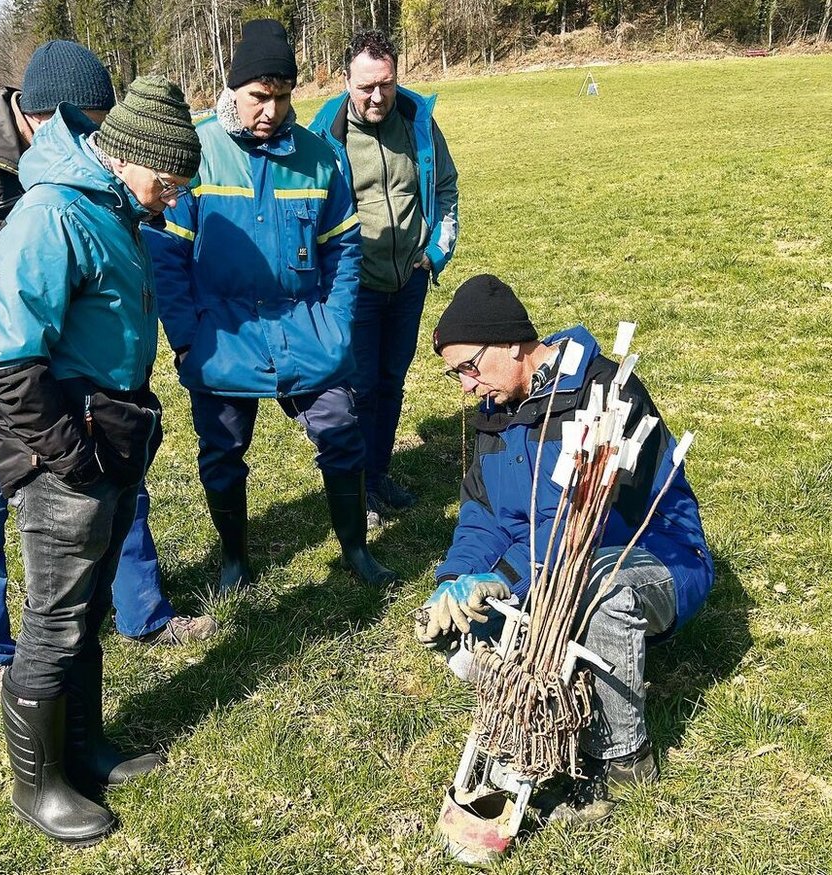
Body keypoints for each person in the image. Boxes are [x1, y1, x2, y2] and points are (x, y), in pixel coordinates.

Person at [0, 41, 215, 707]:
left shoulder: (90, 174)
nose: (97, 140)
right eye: (86, 123)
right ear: (45, 114)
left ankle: (142, 612)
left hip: (60, 361)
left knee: (110, 484)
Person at [0, 77, 202, 844]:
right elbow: (10, 363)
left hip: (110, 438)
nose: (173, 197)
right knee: (54, 619)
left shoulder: (113, 206)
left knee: (89, 608)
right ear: (128, 155)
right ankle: (36, 786)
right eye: (169, 180)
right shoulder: (53, 213)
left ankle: (84, 749)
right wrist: (72, 458)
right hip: (63, 453)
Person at [420, 274, 713, 821]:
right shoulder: (496, 411)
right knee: (450, 624)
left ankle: (622, 761)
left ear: (511, 344)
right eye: (455, 373)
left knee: (600, 592)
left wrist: (504, 578)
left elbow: (582, 525)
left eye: (469, 367)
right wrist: (456, 578)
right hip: (544, 569)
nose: (465, 386)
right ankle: (534, 708)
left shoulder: (606, 394)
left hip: (648, 556)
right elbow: (482, 514)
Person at [145, 19, 395, 590]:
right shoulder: (195, 153)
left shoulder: (320, 158)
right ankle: (234, 560)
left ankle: (356, 549)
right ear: (233, 87)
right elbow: (167, 257)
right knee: (222, 452)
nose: (271, 110)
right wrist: (186, 337)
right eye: (259, 96)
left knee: (341, 431)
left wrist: (336, 324)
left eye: (282, 97)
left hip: (306, 330)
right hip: (222, 337)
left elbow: (344, 248)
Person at [310, 28, 459, 526]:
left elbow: (446, 187)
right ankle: (356, 487)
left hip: (409, 280)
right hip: (355, 288)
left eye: (386, 84)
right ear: (345, 81)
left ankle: (378, 475)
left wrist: (435, 252)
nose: (377, 97)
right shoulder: (323, 136)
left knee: (392, 383)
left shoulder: (419, 122)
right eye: (366, 86)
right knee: (358, 391)